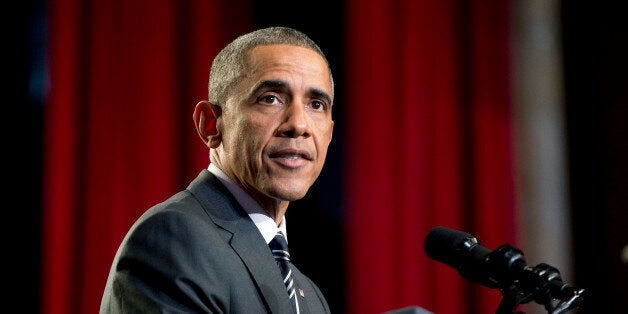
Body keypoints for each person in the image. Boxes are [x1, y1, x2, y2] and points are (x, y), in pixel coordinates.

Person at [100, 26, 334, 313]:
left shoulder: (310, 297)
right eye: (270, 98)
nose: (299, 125)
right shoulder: (176, 241)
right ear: (210, 124)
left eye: (316, 104)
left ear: (330, 133)